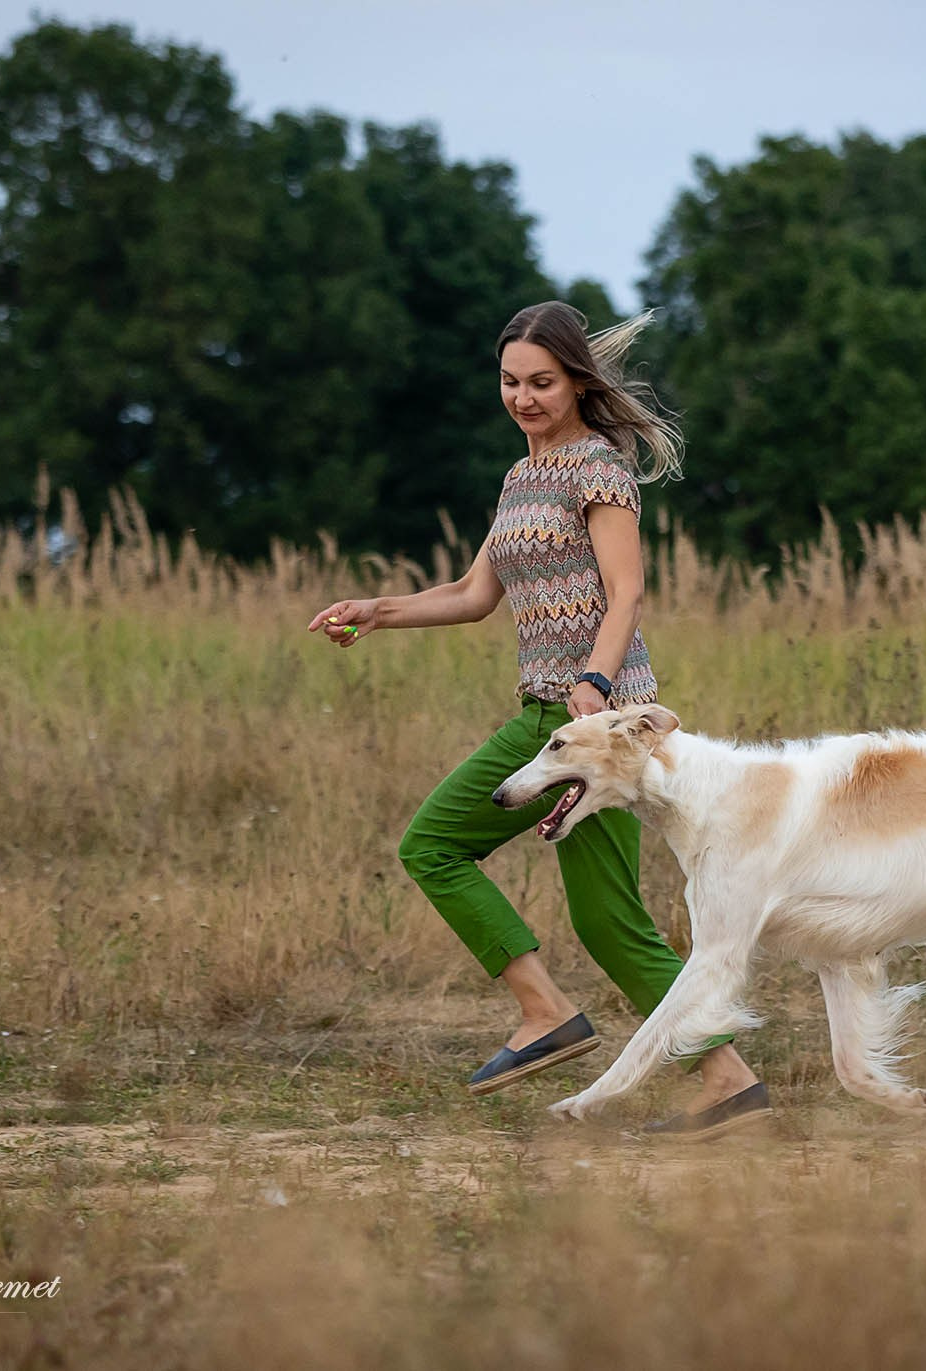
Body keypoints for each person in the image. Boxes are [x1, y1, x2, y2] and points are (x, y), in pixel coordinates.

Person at [308, 301, 770, 1137]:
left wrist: (594, 682)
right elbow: (472, 595)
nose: (523, 397)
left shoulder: (599, 468)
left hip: (598, 724)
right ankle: (621, 1037)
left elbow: (626, 590)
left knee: (526, 883)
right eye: (510, 382)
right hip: (549, 718)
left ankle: (641, 1046)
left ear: (577, 381)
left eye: (542, 383)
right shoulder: (521, 479)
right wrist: (378, 609)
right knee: (519, 879)